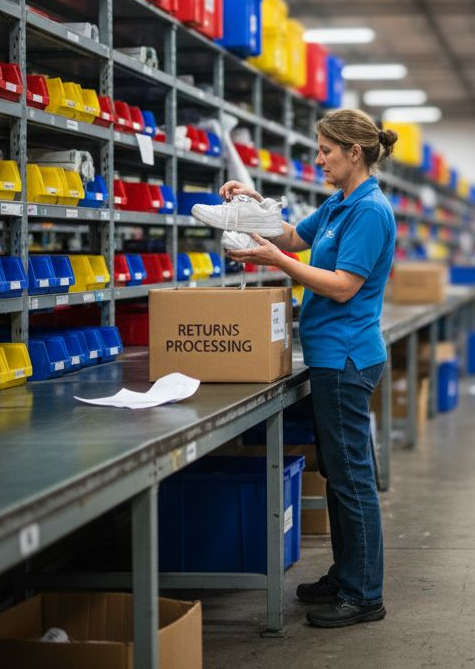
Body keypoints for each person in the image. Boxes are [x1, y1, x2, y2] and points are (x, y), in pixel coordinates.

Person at [205, 109, 397, 626]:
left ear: (354, 153)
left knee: (352, 478)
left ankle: (363, 595)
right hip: (330, 356)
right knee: (338, 474)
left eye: (326, 151)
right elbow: (292, 236)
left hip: (346, 358)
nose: (319, 160)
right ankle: (347, 574)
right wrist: (250, 204)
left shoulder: (370, 212)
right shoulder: (339, 204)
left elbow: (341, 285)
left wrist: (276, 263)